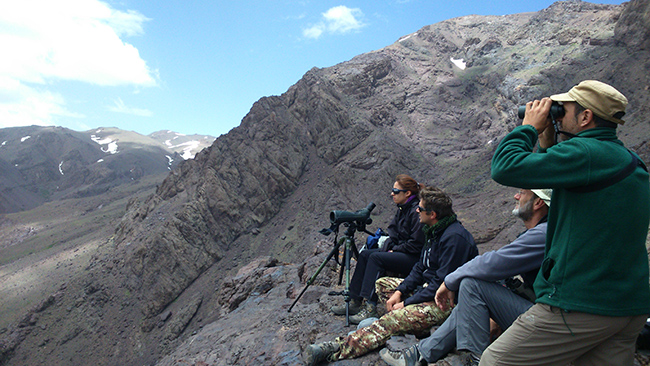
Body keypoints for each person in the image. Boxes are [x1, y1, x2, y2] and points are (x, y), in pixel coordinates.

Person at [484, 80, 650, 365]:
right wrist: (550, 137)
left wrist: (530, 128)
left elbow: (505, 167)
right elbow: (555, 173)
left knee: (496, 361)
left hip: (580, 303)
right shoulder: (628, 160)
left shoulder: (586, 154)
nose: (556, 113)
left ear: (585, 117)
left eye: (563, 109)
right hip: (628, 306)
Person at [304, 186, 478, 365]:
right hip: (427, 291)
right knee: (382, 284)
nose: (417, 210)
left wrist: (406, 304)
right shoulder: (434, 231)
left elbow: (441, 284)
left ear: (432, 214)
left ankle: (335, 349)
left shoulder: (455, 239)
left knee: (392, 318)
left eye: (421, 208)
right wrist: (399, 292)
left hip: (445, 303)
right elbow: (420, 267)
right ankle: (407, 321)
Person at [380, 188, 551, 366]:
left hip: (547, 323)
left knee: (472, 285)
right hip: (539, 311)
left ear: (539, 202)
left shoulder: (544, 234)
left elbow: (495, 262)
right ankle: (419, 355)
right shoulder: (539, 233)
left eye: (522, 193)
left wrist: (450, 281)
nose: (516, 196)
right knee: (473, 288)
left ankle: (476, 360)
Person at [331, 174, 426, 324]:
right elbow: (393, 232)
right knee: (365, 255)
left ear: (407, 193)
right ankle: (356, 300)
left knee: (377, 258)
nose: (392, 194)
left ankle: (370, 307)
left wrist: (395, 250)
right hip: (401, 251)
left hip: (413, 257)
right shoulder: (402, 209)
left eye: (396, 191)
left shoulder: (415, 212)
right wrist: (391, 247)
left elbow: (416, 244)